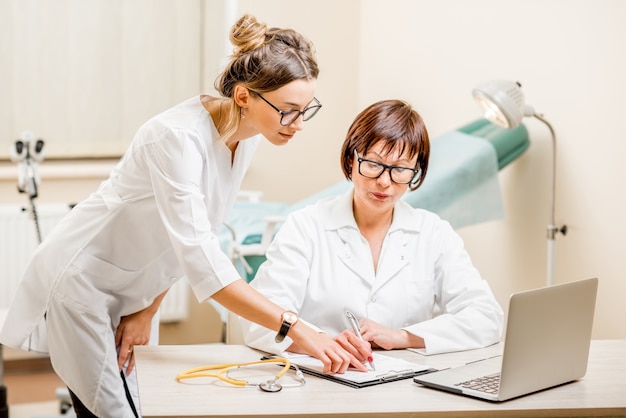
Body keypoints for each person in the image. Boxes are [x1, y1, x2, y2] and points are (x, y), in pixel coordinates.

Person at [0, 14, 369, 418]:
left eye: (305, 110)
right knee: (113, 410)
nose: (297, 124)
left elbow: (193, 235)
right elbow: (203, 259)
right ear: (244, 96)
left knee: (144, 403)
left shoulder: (246, 138)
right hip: (84, 282)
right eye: (288, 111)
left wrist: (147, 308)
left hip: (136, 288)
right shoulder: (175, 138)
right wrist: (296, 327)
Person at [240, 99, 504, 361]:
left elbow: (486, 317)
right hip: (321, 381)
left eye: (400, 169)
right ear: (351, 159)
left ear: (416, 171)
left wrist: (402, 336)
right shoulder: (305, 227)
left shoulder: (433, 233)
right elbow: (258, 323)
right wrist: (321, 342)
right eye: (373, 164)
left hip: (406, 386)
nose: (384, 182)